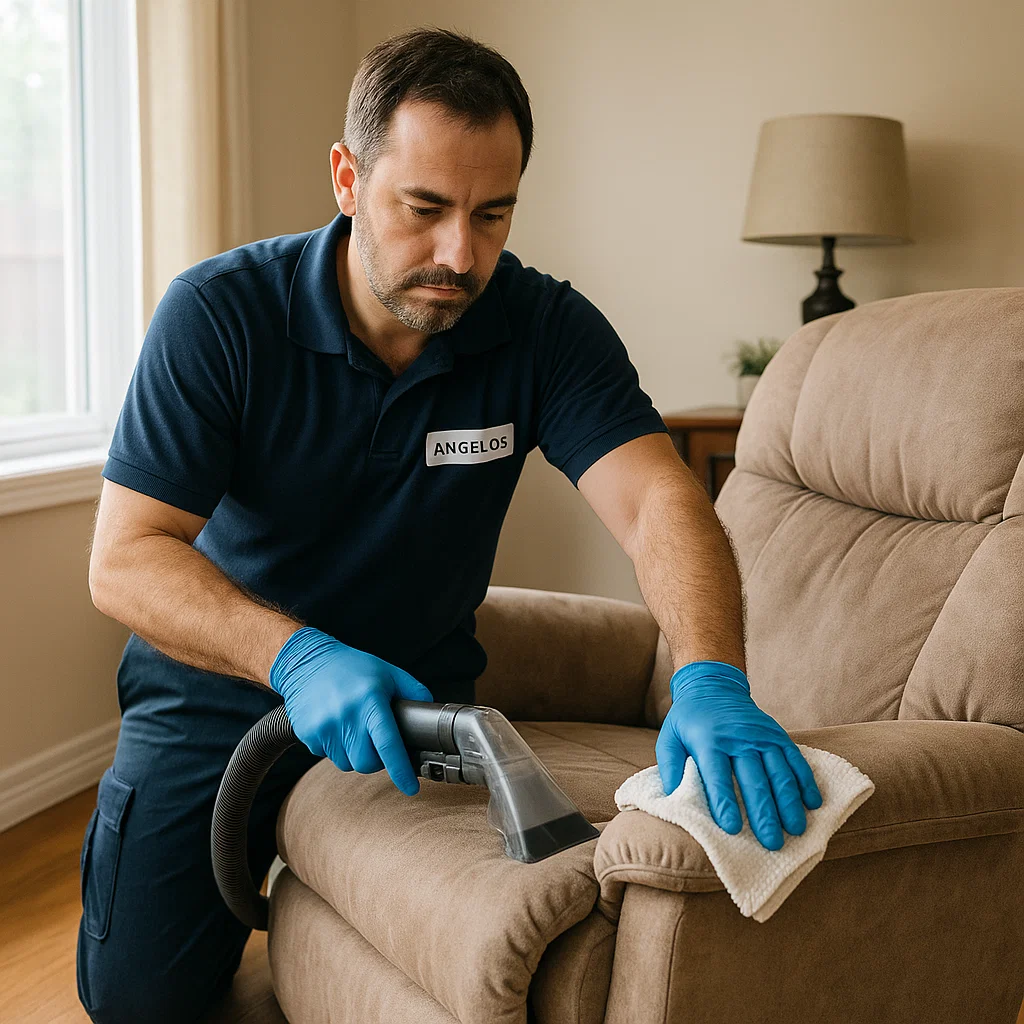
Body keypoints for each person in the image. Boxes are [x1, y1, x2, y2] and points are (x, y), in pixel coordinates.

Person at [76, 27, 822, 1023]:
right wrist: (295, 657)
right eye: (422, 208)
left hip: (418, 715)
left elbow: (659, 502)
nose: (458, 254)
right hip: (219, 698)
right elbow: (126, 559)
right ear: (348, 178)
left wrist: (711, 676)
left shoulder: (545, 327)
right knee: (137, 1001)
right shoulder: (220, 315)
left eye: (493, 213)